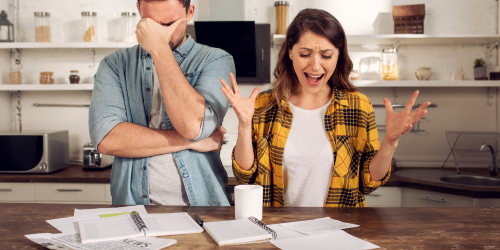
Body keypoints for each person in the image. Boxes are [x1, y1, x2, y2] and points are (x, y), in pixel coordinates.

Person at [221, 9, 430, 207]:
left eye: (326, 55)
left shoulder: (358, 106)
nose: (315, 66)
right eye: (305, 54)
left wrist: (390, 142)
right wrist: (244, 125)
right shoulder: (264, 105)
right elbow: (244, 176)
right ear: (290, 52)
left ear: (338, 56)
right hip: (278, 230)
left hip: (339, 230)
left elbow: (369, 182)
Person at [88, 0, 235, 206]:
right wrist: (190, 142)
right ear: (138, 10)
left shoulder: (215, 59)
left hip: (203, 208)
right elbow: (107, 140)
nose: (160, 34)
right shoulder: (114, 65)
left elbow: (194, 126)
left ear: (190, 12)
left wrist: (158, 49)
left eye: (168, 25)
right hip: (133, 209)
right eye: (151, 23)